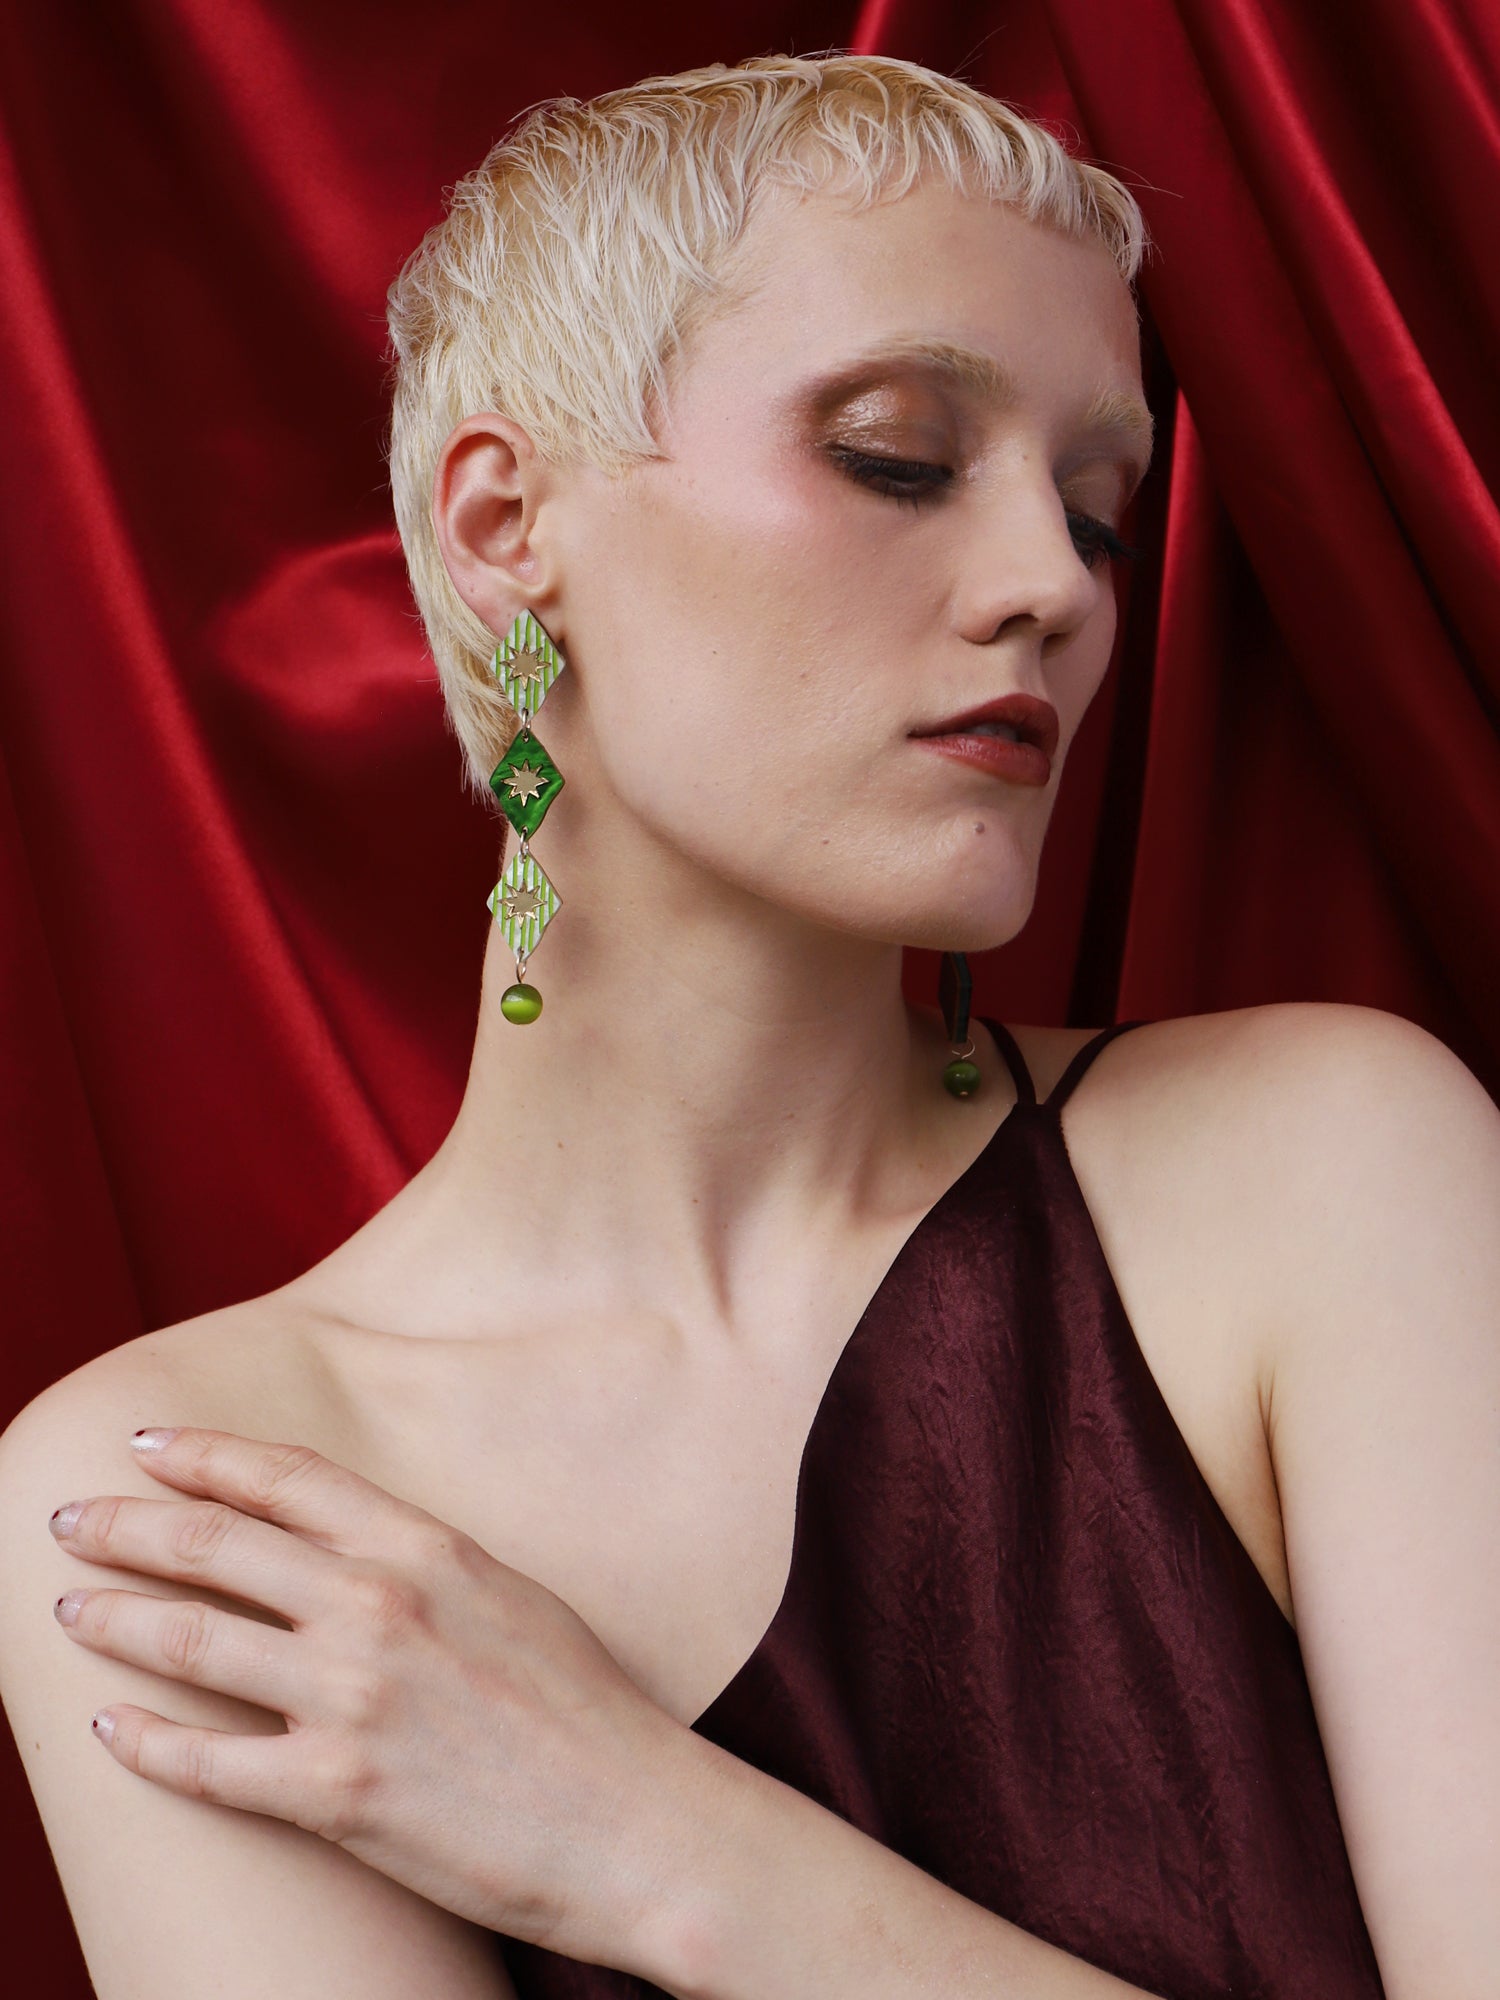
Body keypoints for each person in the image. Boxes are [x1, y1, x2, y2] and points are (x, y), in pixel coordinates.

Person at [0, 51, 1494, 2000]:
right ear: (503, 523)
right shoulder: (181, 1492)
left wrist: (646, 1839)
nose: (1052, 584)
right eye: (895, 454)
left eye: (1103, 511)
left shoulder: (1326, 1171)